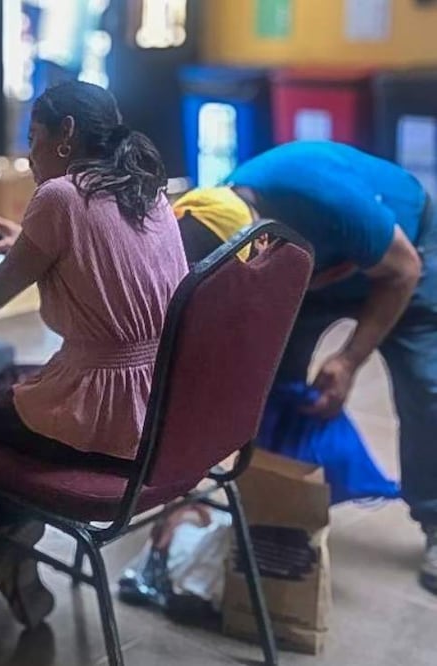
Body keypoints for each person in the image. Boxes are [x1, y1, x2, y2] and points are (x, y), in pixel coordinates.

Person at [0, 81, 188, 626]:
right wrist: (25, 238)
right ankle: (8, 540)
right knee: (6, 378)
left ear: (65, 135)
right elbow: (97, 247)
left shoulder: (59, 196)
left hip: (107, 423)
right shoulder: (147, 189)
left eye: (35, 137)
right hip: (163, 411)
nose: (28, 152)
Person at [173, 141, 437, 596]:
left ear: (260, 237)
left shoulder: (324, 199)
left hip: (406, 257)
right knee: (272, 385)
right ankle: (276, 510)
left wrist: (349, 359)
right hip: (318, 271)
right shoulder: (209, 216)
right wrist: (180, 490)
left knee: (426, 388)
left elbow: (403, 270)